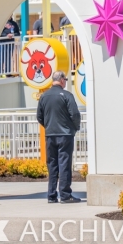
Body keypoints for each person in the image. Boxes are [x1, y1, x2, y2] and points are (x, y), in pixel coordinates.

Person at [36, 70, 82, 203]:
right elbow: (75, 114)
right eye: (65, 80)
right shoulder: (67, 95)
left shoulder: (44, 96)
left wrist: (49, 126)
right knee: (64, 164)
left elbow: (39, 116)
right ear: (62, 80)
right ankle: (65, 195)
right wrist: (74, 127)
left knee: (52, 165)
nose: (65, 83)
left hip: (50, 135)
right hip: (65, 135)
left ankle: (51, 195)